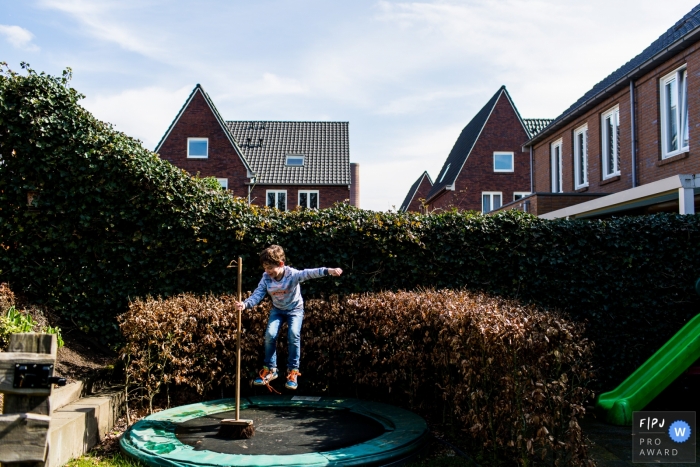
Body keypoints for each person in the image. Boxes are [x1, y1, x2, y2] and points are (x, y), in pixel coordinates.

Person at [235, 245, 342, 390]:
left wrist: (329, 271)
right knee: (270, 335)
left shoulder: (292, 274)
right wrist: (245, 304)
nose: (267, 271)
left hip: (295, 309)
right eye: (265, 268)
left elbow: (310, 273)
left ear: (280, 264)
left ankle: (293, 372)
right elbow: (258, 294)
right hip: (278, 310)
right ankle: (271, 370)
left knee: (293, 334)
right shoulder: (266, 277)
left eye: (270, 268)